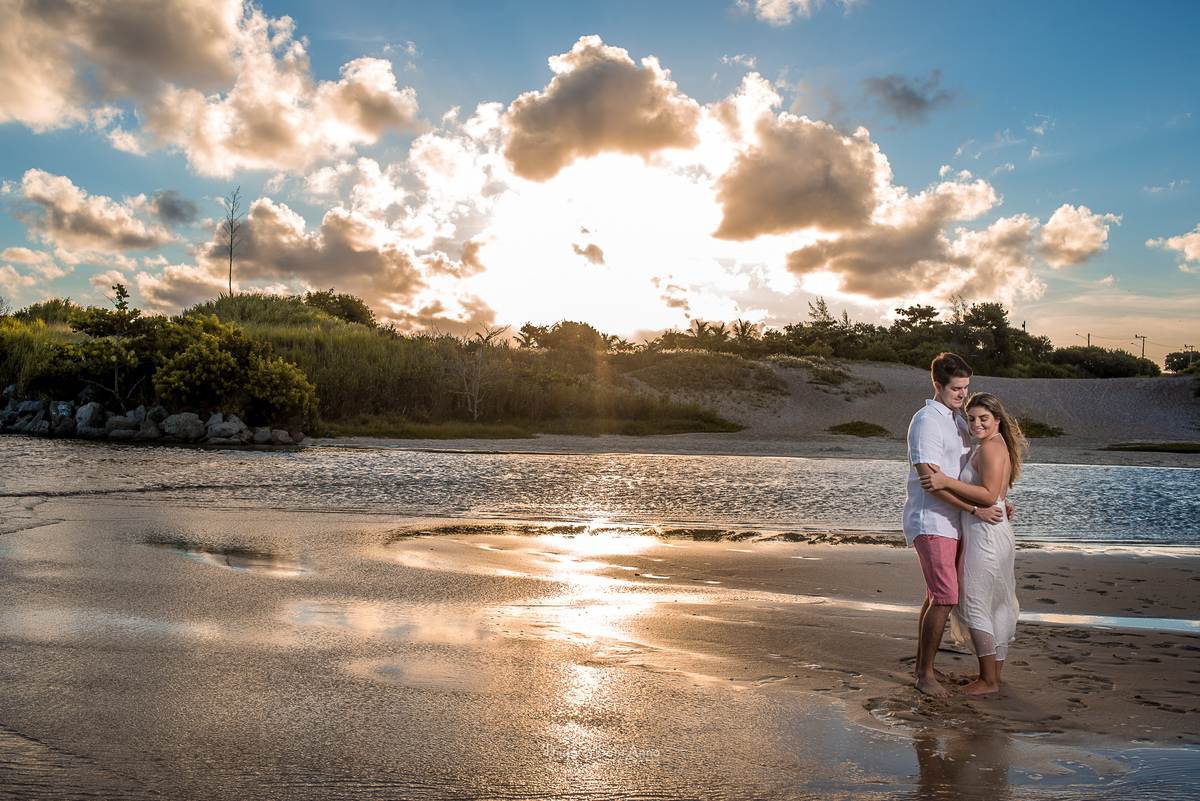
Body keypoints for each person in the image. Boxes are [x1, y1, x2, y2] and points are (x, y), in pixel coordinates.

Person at [903, 353, 1005, 698]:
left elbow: (965, 476)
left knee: (936, 595)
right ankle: (924, 676)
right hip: (931, 521)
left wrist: (997, 501)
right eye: (956, 388)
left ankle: (923, 667)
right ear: (937, 385)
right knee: (945, 596)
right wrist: (974, 511)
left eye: (966, 388)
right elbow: (931, 480)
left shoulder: (958, 421)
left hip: (955, 522)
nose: (963, 394)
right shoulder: (926, 422)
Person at [919, 392, 1028, 695]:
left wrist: (946, 482)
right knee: (996, 603)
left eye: (984, 419)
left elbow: (990, 495)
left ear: (997, 420)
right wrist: (1001, 501)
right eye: (971, 418)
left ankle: (988, 680)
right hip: (994, 529)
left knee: (974, 601)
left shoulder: (991, 448)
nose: (976, 424)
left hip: (986, 534)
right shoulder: (995, 444)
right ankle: (993, 674)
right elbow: (997, 495)